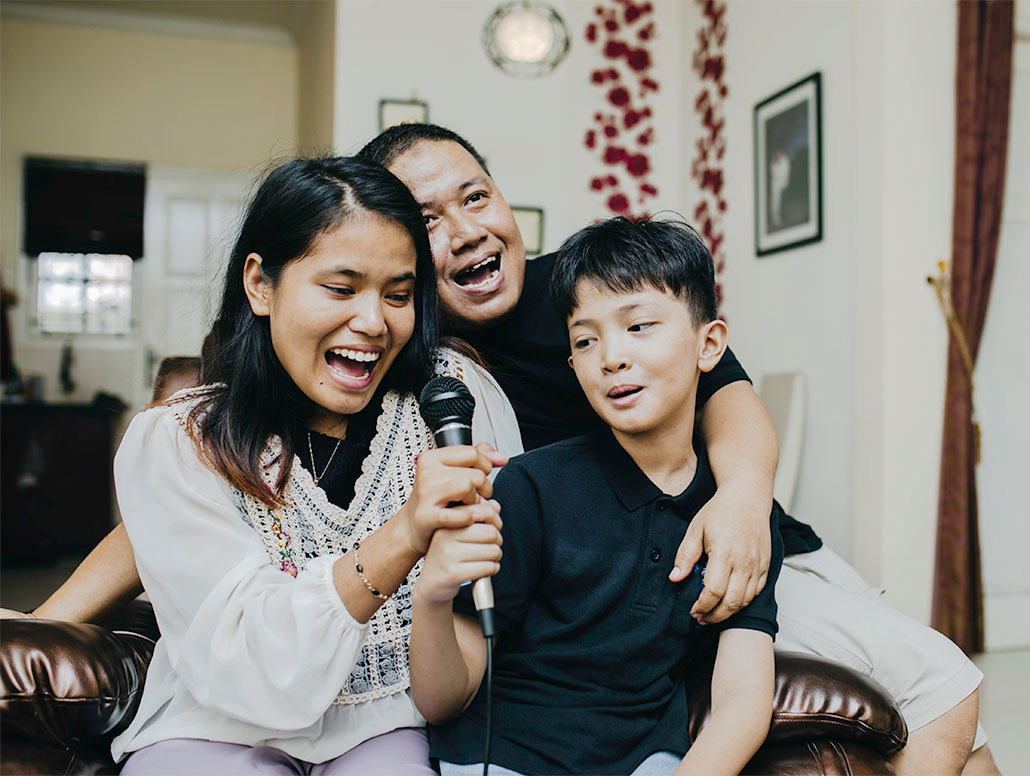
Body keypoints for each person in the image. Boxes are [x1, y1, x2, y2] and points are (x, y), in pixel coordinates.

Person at [357, 124, 992, 775]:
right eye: (428, 220)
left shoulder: (592, 288)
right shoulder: (414, 356)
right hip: (607, 591)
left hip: (716, 538)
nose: (465, 232)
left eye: (476, 198)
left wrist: (742, 506)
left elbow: (733, 401)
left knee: (948, 702)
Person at [107, 156, 522, 773]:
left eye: (400, 295)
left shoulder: (455, 401)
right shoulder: (175, 442)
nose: (374, 322)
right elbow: (253, 673)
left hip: (383, 727)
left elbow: (483, 614)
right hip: (218, 728)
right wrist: (403, 536)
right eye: (341, 288)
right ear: (260, 284)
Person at [410, 217, 783, 775]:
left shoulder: (741, 518)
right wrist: (431, 600)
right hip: (504, 753)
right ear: (573, 365)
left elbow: (743, 694)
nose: (611, 356)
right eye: (586, 340)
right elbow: (444, 699)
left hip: (645, 759)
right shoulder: (530, 488)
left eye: (638, 327)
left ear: (709, 346)